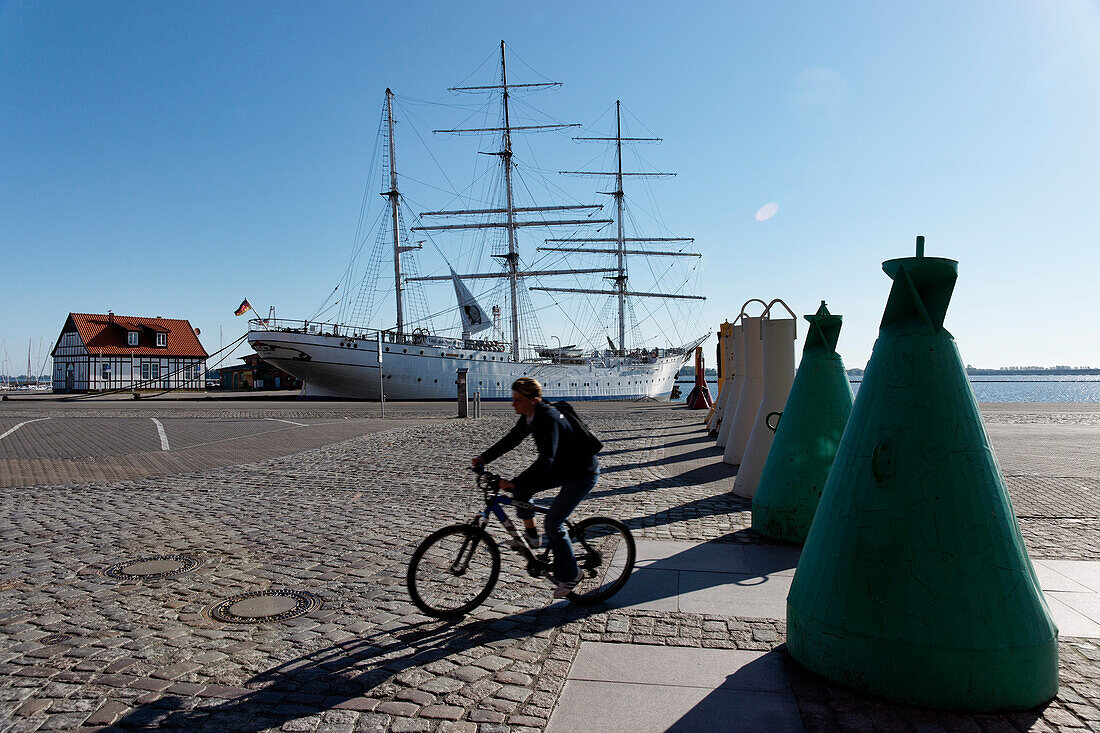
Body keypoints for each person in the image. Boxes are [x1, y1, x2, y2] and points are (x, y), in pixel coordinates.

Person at [472, 377, 599, 599]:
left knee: (553, 523)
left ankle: (572, 575)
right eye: (513, 399)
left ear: (533, 400)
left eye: (517, 400)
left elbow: (546, 459)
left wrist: (515, 480)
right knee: (521, 492)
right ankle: (532, 538)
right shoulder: (530, 416)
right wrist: (484, 457)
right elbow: (511, 440)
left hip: (581, 473)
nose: (513, 404)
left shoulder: (547, 417)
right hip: (563, 467)